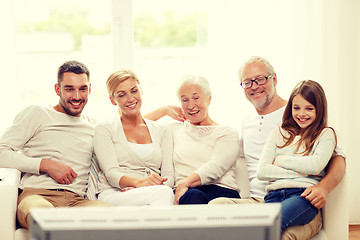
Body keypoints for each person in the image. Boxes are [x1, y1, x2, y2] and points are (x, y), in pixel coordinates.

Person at [209, 56, 346, 240]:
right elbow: (260, 169)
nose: (255, 86)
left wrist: (323, 187)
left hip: (301, 198)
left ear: (274, 79)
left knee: (277, 230)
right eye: (247, 82)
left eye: (260, 79)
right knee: (215, 208)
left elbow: (337, 158)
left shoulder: (302, 115)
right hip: (262, 200)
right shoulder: (249, 124)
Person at [0, 60, 111, 229]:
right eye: (69, 89)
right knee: (48, 219)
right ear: (57, 89)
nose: (76, 96)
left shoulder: (96, 127)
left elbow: (127, 132)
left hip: (78, 202)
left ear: (89, 89)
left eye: (82, 89)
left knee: (116, 218)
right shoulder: (37, 113)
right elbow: (2, 153)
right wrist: (46, 165)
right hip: (38, 196)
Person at [145, 75, 241, 205]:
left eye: (196, 98)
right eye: (185, 100)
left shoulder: (226, 132)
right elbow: (133, 126)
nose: (191, 105)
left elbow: (215, 166)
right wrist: (164, 110)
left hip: (220, 193)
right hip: (185, 194)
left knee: (193, 196)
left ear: (209, 98)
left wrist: (185, 183)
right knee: (191, 196)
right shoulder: (173, 129)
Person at [257, 80, 336, 233]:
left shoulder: (326, 134)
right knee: (261, 228)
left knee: (271, 225)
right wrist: (305, 172)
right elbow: (262, 171)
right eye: (296, 108)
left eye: (309, 108)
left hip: (302, 197)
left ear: (319, 109)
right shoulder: (278, 133)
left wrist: (279, 161)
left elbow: (315, 166)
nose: (301, 114)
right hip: (273, 196)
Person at [93, 69, 175, 206]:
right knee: (164, 194)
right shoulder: (105, 128)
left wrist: (145, 188)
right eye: (121, 95)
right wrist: (139, 184)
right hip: (116, 193)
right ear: (112, 100)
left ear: (141, 91)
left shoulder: (162, 129)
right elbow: (111, 173)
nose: (130, 98)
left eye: (134, 91)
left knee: (164, 192)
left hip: (153, 192)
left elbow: (169, 175)